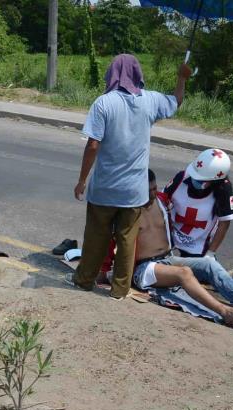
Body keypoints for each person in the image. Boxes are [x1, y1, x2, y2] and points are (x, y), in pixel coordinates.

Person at [65, 54, 192, 300]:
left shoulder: (104, 103)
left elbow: (93, 145)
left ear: (112, 73)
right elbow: (176, 101)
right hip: (134, 191)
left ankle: (84, 281)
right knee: (126, 241)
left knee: (95, 238)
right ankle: (120, 290)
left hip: (104, 189)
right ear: (138, 74)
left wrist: (82, 180)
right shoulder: (150, 101)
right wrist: (181, 78)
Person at [126, 175, 233, 325]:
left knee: (209, 264)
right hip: (143, 269)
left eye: (154, 188)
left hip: (166, 259)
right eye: (147, 191)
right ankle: (224, 311)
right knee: (184, 273)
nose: (152, 193)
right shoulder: (128, 210)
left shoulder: (162, 200)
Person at [164, 149, 233, 258]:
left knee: (204, 272)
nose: (195, 180)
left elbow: (224, 222)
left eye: (201, 180)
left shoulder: (224, 189)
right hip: (170, 234)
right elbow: (160, 201)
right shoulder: (181, 177)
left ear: (214, 181)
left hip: (199, 243)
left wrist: (210, 253)